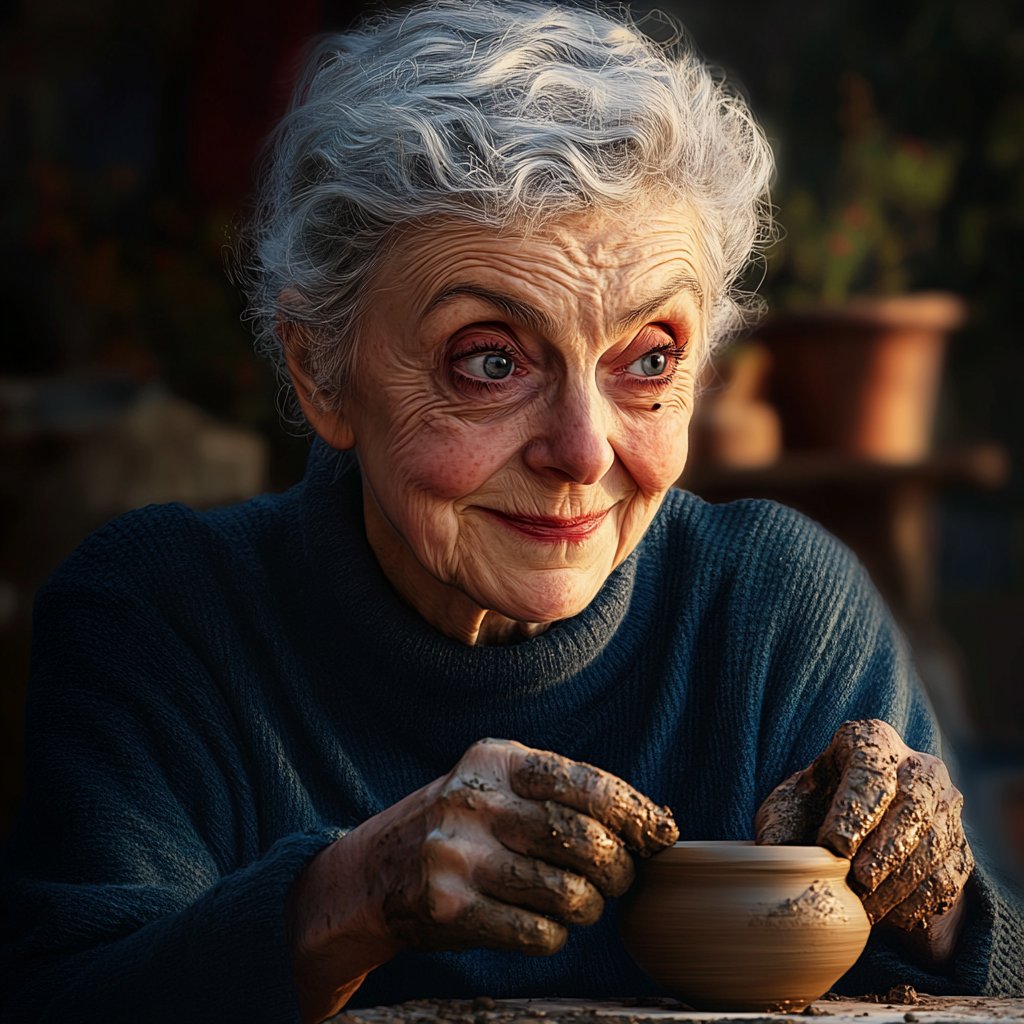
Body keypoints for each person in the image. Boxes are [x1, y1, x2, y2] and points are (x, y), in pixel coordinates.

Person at [2, 2, 1022, 1022]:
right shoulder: (160, 614)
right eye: (489, 360)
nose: (582, 451)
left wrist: (941, 912)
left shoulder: (777, 612)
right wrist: (349, 897)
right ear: (321, 371)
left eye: (649, 359)